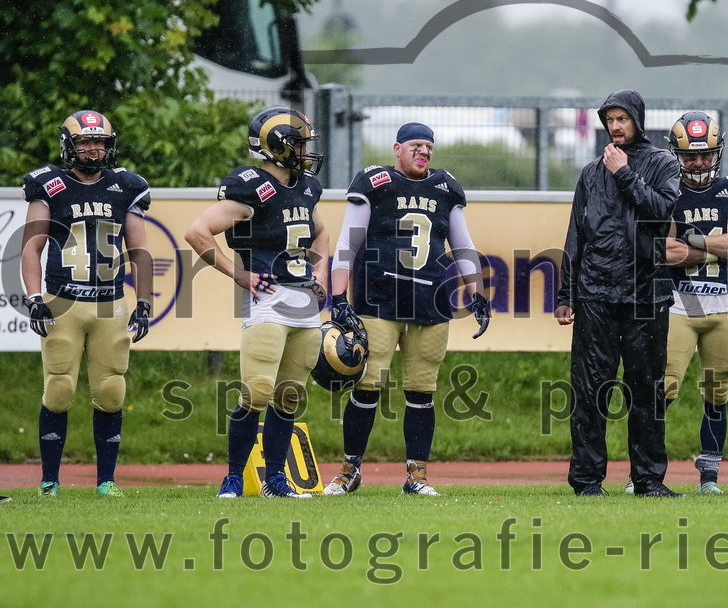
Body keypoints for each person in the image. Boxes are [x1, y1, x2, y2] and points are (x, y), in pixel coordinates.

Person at [325, 122, 490, 497]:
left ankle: (417, 476)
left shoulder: (445, 187)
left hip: (430, 303)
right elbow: (346, 245)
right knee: (367, 386)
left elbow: (463, 247)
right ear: (397, 148)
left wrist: (478, 295)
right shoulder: (374, 181)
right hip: (378, 301)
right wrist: (337, 298)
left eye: (429, 147)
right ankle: (350, 469)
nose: (424, 152)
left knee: (422, 390)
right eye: (417, 145)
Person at [185, 106, 329, 499]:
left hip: (303, 301)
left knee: (289, 395)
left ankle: (276, 481)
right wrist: (240, 275)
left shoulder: (306, 186)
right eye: (298, 143)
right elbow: (197, 233)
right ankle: (233, 477)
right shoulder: (250, 186)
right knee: (258, 391)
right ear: (277, 145)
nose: (305, 151)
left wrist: (318, 274)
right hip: (267, 298)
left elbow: (321, 232)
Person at [21, 110, 154, 498]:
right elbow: (32, 247)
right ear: (69, 145)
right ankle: (49, 481)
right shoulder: (49, 184)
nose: (94, 150)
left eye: (101, 143)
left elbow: (140, 251)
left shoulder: (126, 185)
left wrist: (143, 302)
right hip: (62, 301)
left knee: (112, 391)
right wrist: (33, 298)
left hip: (109, 304)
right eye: (85, 142)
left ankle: (106, 481)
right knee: (59, 389)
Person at [555, 90, 681, 497]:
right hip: (596, 295)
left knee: (647, 390)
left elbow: (662, 212)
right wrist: (566, 294)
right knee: (591, 389)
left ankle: (648, 480)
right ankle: (587, 481)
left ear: (638, 121)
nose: (614, 126)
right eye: (609, 119)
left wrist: (626, 173)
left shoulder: (663, 164)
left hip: (648, 296)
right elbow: (576, 235)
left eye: (622, 119)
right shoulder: (591, 173)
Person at [652, 111, 728, 495]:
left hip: (723, 305)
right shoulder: (668, 191)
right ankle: (646, 474)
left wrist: (694, 243)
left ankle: (709, 478)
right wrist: (718, 248)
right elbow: (664, 251)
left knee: (718, 392)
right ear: (677, 155)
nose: (698, 163)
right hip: (679, 304)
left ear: (718, 153)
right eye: (691, 156)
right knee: (661, 388)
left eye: (705, 155)